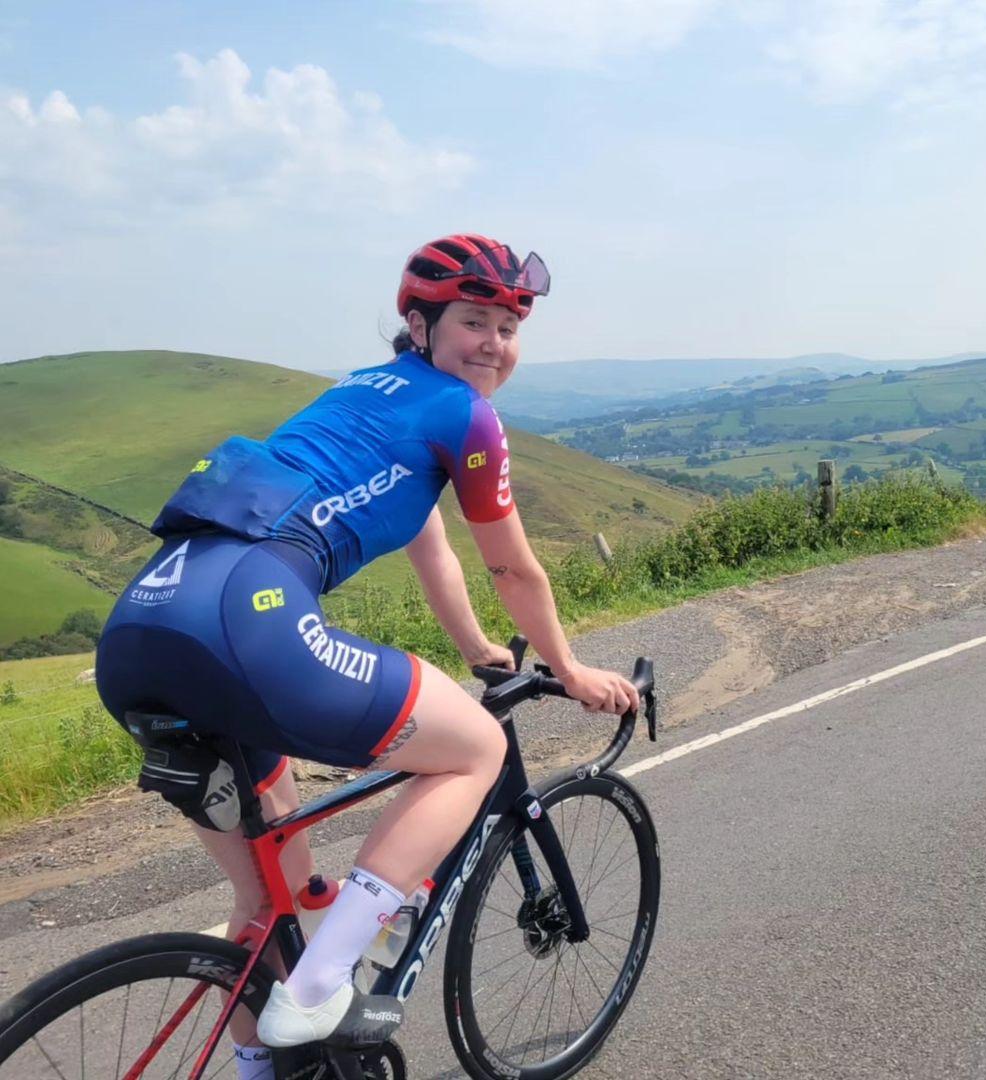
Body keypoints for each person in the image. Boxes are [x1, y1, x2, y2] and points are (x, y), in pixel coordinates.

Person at [94, 233, 640, 1068]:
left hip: (142, 631)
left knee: (268, 903)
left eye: (508, 326)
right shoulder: (464, 414)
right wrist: (569, 670)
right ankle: (321, 992)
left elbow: (436, 554)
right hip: (248, 621)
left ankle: (263, 1061)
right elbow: (511, 564)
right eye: (473, 322)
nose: (494, 344)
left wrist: (482, 650)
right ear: (420, 324)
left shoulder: (365, 400)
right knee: (476, 751)